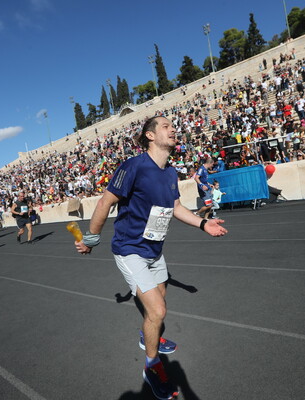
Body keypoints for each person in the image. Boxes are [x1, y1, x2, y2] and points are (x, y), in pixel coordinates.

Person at [74, 116, 227, 400]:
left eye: (173, 126)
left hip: (155, 250)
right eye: (166, 126)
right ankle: (152, 366)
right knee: (157, 311)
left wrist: (204, 224)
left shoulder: (170, 173)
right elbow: (105, 201)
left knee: (160, 299)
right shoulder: (133, 166)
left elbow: (176, 207)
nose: (173, 129)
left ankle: (148, 336)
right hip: (129, 249)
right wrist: (91, 239)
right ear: (150, 135)